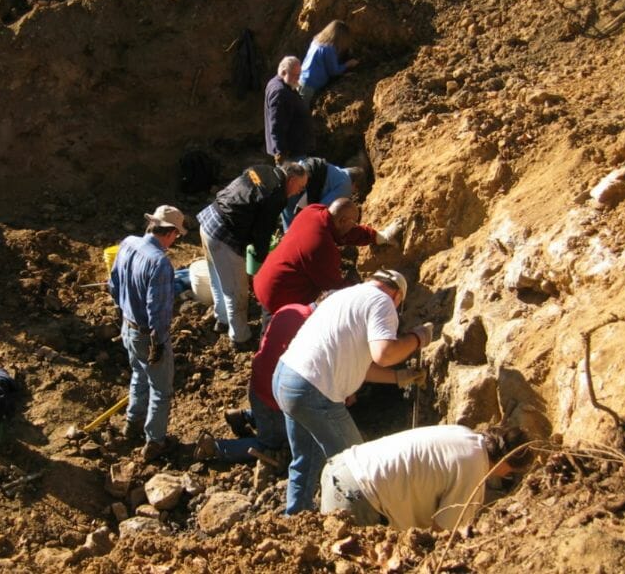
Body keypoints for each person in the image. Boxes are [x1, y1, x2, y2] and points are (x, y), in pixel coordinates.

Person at [273, 269, 433, 514]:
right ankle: (361, 524)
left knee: (307, 458)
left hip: (286, 378)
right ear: (398, 295)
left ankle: (295, 517)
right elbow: (385, 353)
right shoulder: (383, 301)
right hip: (313, 389)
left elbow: (358, 363)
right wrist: (417, 338)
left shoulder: (344, 296)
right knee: (360, 466)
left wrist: (399, 378)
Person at [320, 425, 533, 530]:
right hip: (358, 495)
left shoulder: (465, 434)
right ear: (507, 463)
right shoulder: (474, 469)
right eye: (511, 473)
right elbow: (441, 533)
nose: (506, 476)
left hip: (340, 467)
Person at [197, 163, 308, 346]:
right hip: (224, 235)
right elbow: (262, 232)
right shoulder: (277, 195)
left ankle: (222, 320)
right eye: (300, 186)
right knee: (236, 291)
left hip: (209, 219)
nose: (299, 191)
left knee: (218, 279)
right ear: (292, 179)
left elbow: (248, 199)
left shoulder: (262, 169)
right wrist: (261, 260)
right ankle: (240, 337)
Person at [109, 205, 187, 462]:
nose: (175, 241)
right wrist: (159, 342)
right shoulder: (160, 263)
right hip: (147, 333)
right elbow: (159, 311)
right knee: (161, 390)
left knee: (139, 375)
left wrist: (124, 309)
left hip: (128, 326)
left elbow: (113, 284)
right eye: (177, 235)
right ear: (171, 232)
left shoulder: (128, 243)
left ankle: (132, 424)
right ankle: (154, 442)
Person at [193, 303, 314, 462]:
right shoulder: (312, 330)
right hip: (272, 396)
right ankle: (215, 448)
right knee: (271, 444)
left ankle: (243, 416)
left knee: (272, 418)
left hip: (259, 384)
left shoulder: (291, 309)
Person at [254, 198, 403, 317]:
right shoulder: (321, 247)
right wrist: (361, 287)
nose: (354, 226)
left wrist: (379, 236)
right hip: (278, 296)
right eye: (353, 223)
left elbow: (345, 232)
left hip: (265, 276)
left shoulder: (313, 211)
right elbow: (335, 287)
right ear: (343, 221)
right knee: (284, 340)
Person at [280, 157, 356, 230]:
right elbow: (323, 206)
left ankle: (289, 234)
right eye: (354, 191)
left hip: (303, 169)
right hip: (309, 182)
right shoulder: (346, 186)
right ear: (355, 185)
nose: (352, 195)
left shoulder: (339, 172)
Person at [264, 56, 314, 165]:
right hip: (291, 153)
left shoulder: (282, 85)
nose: (298, 79)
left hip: (295, 148)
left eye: (299, 75)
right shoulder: (280, 92)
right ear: (283, 72)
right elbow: (276, 125)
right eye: (295, 75)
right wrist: (280, 153)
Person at [299, 20, 359, 106]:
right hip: (309, 86)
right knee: (299, 113)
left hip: (301, 79)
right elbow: (334, 71)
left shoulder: (316, 42)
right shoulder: (329, 49)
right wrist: (348, 64)